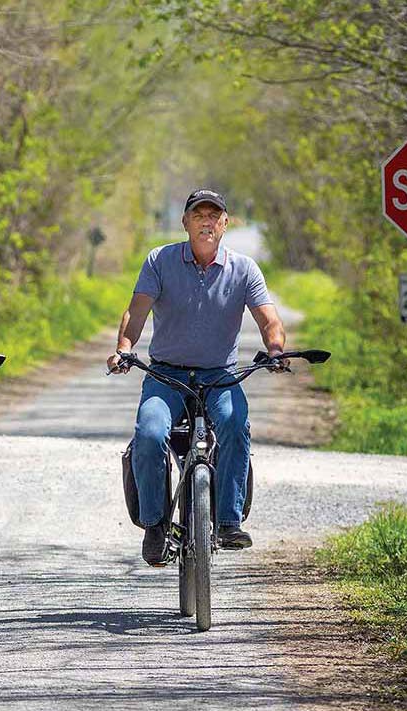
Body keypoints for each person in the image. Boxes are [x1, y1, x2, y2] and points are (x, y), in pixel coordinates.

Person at [107, 189, 287, 564]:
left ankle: (227, 521)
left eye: (214, 215)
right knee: (151, 432)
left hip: (219, 376)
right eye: (198, 214)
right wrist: (124, 348)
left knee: (237, 425)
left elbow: (269, 319)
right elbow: (136, 312)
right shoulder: (160, 260)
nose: (206, 221)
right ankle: (156, 525)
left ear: (225, 223)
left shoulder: (244, 269)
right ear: (185, 222)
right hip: (167, 375)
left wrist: (275, 351)